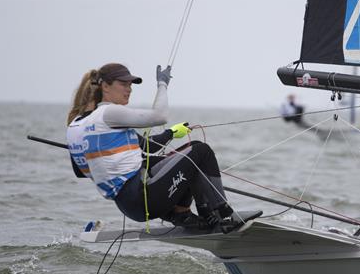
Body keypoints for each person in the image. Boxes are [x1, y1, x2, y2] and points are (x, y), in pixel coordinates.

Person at [66, 62, 234, 231]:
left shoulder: (78, 125)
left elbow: (82, 171)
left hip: (129, 204)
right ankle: (223, 215)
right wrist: (162, 84)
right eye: (123, 84)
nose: (129, 89)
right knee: (201, 152)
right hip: (141, 199)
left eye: (130, 85)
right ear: (105, 86)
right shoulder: (108, 113)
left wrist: (113, 162)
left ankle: (181, 214)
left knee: (192, 150)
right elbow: (159, 116)